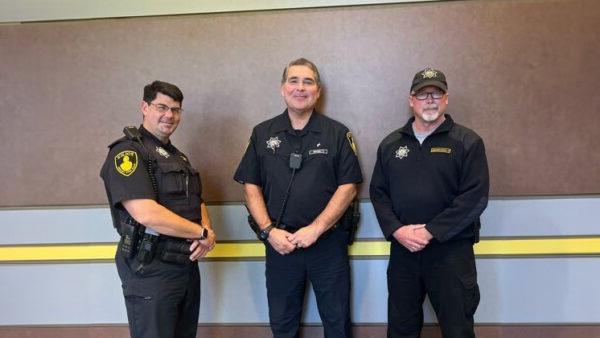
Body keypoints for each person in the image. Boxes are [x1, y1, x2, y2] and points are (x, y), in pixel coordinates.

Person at [234, 58, 363, 338]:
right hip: (280, 245)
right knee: (282, 324)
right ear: (283, 88)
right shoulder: (262, 133)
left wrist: (316, 229)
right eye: (294, 80)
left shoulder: (337, 133)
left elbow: (348, 187)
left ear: (318, 91)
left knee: (337, 320)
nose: (300, 87)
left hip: (327, 244)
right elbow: (250, 186)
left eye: (308, 82)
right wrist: (269, 232)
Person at [369, 68, 489, 338]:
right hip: (403, 251)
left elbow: (475, 197)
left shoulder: (467, 142)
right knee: (401, 328)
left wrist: (430, 231)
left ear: (446, 99)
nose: (430, 100)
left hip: (451, 252)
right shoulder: (391, 144)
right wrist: (398, 231)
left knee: (458, 328)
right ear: (411, 100)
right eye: (422, 95)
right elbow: (378, 193)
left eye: (436, 93)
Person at [100, 80, 216, 338]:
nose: (169, 115)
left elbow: (196, 199)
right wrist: (201, 233)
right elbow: (146, 213)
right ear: (144, 107)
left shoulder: (178, 156)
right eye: (161, 107)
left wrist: (207, 229)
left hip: (184, 265)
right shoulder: (128, 152)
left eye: (175, 110)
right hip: (150, 267)